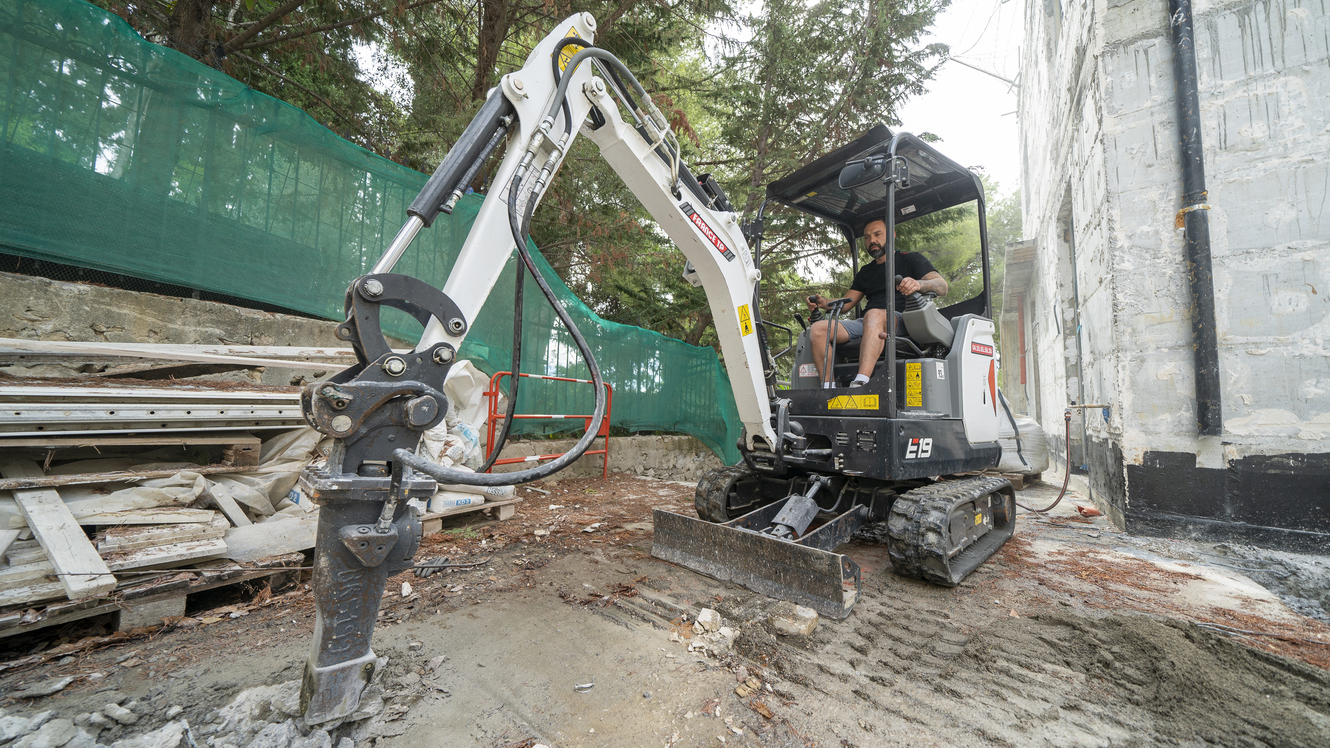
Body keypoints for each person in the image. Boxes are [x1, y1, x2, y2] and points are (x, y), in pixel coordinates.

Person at [807, 218, 948, 388]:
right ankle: (828, 387)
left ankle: (861, 382)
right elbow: (846, 304)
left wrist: (919, 284)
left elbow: (942, 286)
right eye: (867, 237)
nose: (871, 240)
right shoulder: (866, 272)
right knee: (818, 329)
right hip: (869, 322)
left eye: (877, 234)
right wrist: (824, 302)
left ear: (892, 235)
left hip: (904, 320)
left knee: (873, 314)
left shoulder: (910, 259)